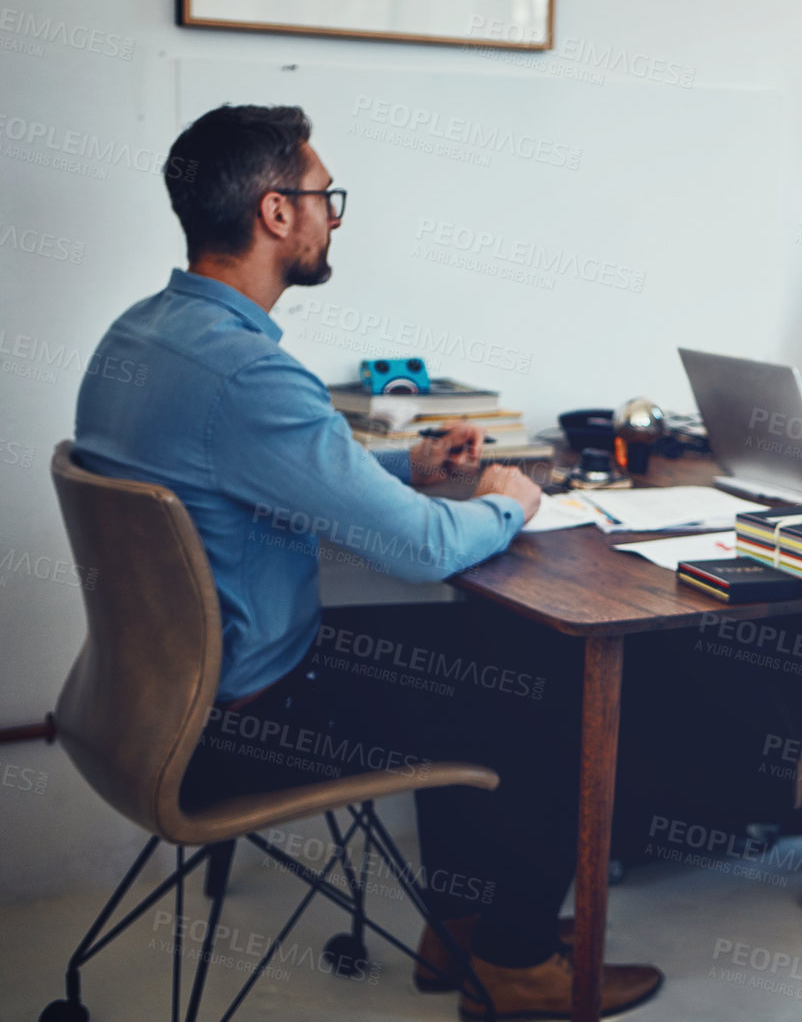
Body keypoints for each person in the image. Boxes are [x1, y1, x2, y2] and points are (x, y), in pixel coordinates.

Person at [72, 105, 662, 1020]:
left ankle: (457, 926)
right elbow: (424, 547)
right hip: (242, 726)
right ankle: (512, 958)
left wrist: (406, 467)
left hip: (143, 704)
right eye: (322, 197)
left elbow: (247, 474)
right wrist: (514, 501)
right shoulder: (251, 376)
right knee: (550, 677)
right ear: (275, 213)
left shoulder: (138, 338)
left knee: (469, 641)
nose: (331, 216)